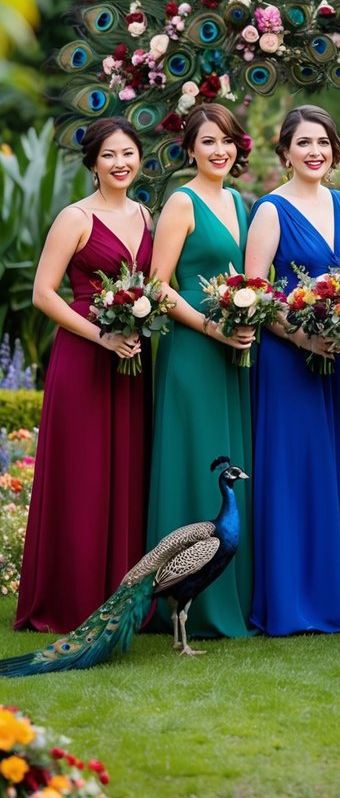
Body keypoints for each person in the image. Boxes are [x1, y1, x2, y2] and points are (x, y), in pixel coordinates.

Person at [15, 117, 152, 633]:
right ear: (93, 163)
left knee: (124, 472)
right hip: (84, 356)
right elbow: (43, 293)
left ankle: (117, 596)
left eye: (129, 153)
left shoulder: (145, 213)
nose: (121, 163)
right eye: (110, 155)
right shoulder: (75, 218)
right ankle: (69, 597)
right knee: (83, 474)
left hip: (131, 362)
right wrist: (102, 336)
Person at [245, 105, 340, 635]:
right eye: (304, 142)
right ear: (285, 151)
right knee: (292, 475)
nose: (315, 151)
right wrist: (302, 335)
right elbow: (255, 290)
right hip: (288, 359)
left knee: (331, 472)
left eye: (324, 142)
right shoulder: (270, 209)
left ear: (334, 151)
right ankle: (289, 603)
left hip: (336, 360)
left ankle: (332, 599)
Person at [146, 103, 255, 639]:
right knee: (196, 458)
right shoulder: (180, 203)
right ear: (190, 148)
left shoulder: (237, 200)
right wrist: (213, 329)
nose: (220, 150)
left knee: (228, 467)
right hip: (192, 350)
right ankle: (178, 597)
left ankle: (225, 596)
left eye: (228, 141)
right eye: (208, 141)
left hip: (231, 351)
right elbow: (158, 285)